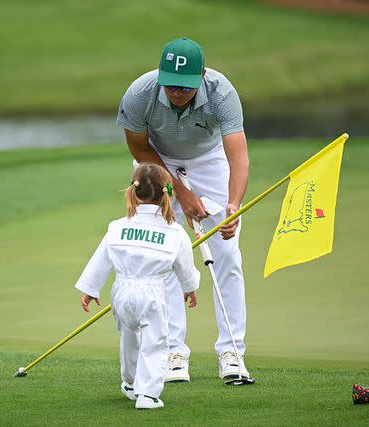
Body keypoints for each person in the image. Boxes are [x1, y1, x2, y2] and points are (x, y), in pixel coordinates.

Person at [116, 37, 252, 383]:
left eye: (186, 87)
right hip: (157, 160)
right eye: (171, 85)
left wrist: (233, 205)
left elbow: (237, 156)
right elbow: (140, 148)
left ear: (202, 76)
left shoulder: (221, 93)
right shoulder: (140, 93)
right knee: (163, 255)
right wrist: (178, 189)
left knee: (227, 254)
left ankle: (232, 351)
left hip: (209, 160)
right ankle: (173, 351)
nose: (177, 92)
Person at [74, 163, 200, 409]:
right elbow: (184, 266)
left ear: (133, 191)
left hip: (121, 294)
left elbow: (101, 258)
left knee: (129, 341)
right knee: (154, 343)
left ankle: (130, 383)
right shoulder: (174, 232)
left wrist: (90, 289)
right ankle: (148, 394)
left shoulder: (117, 226)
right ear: (168, 193)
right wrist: (189, 287)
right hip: (151, 294)